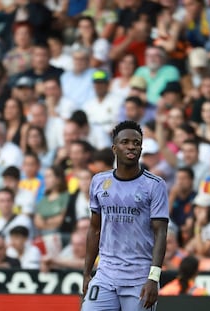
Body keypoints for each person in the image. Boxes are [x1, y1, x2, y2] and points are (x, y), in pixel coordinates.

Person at [82, 120, 169, 311]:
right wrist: (87, 273)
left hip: (139, 278)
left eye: (136, 143)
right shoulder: (99, 181)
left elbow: (161, 233)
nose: (131, 146)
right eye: (126, 142)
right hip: (105, 275)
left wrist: (153, 278)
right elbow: (94, 229)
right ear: (114, 147)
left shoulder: (154, 185)